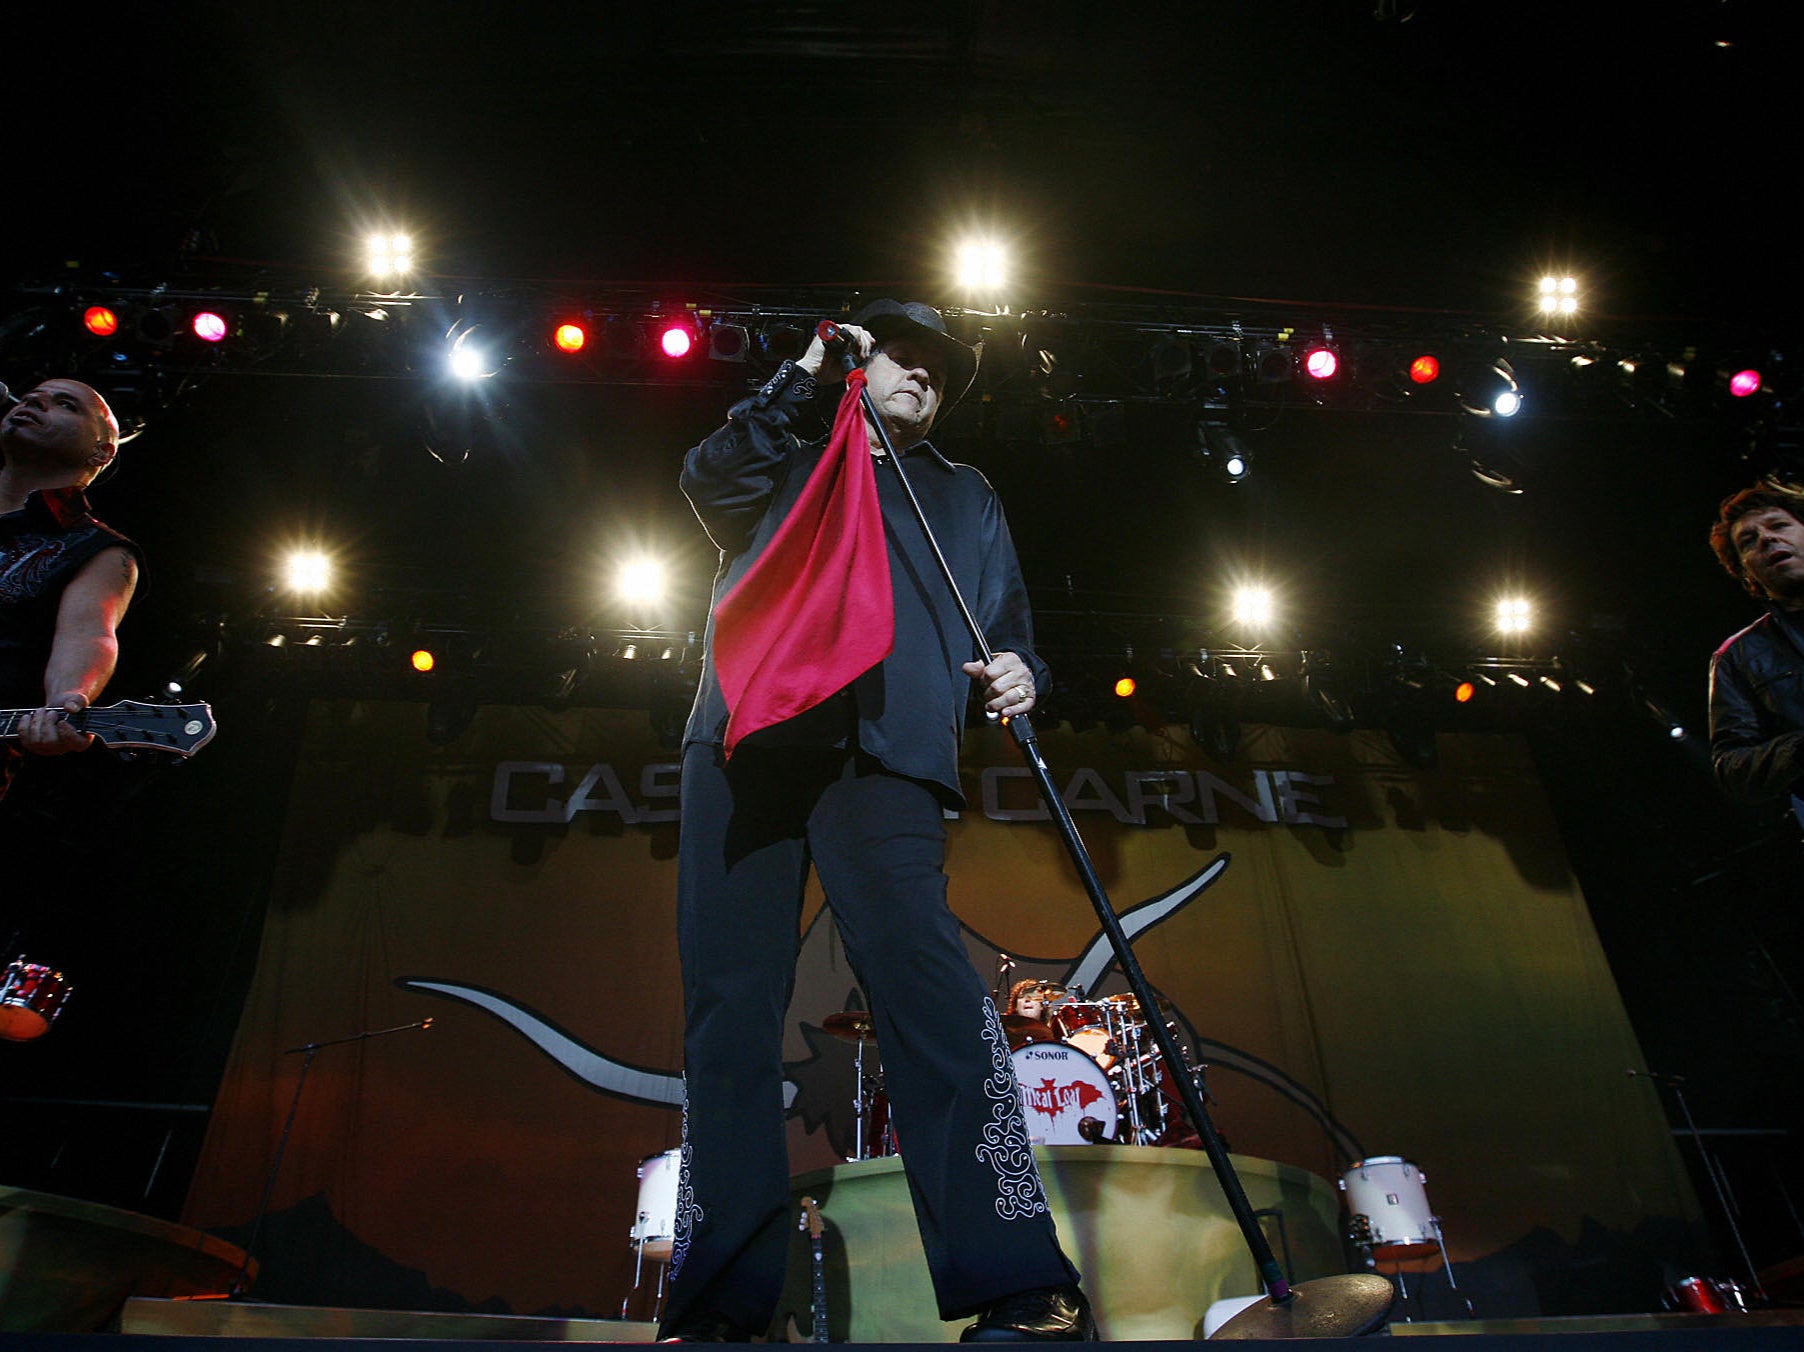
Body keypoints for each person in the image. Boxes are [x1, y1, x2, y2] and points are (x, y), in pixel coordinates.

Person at [664, 301, 1093, 1342]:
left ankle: (1014, 1281)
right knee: (729, 1015)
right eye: (905, 355)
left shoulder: (963, 492)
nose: (924, 376)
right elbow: (708, 481)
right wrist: (802, 373)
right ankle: (721, 1302)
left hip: (885, 752)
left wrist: (1025, 669)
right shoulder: (791, 455)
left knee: (931, 995)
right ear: (862, 362)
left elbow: (1013, 623)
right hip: (750, 742)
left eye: (940, 370)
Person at [0, 378, 140, 802]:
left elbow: (90, 633)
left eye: (65, 405)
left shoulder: (95, 549)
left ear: (102, 451)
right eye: (28, 398)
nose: (36, 401)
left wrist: (66, 701)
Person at [1707, 481, 1804, 814]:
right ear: (1745, 572)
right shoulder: (1736, 657)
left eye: (1779, 525)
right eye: (1748, 540)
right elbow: (1733, 768)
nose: (1766, 538)